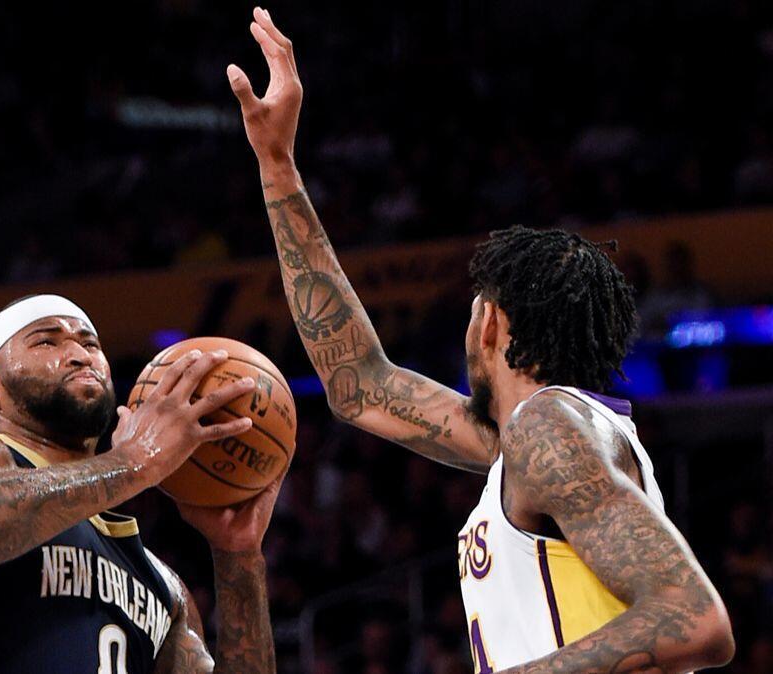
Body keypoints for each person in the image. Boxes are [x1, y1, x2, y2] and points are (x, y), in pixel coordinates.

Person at [226, 7, 735, 673]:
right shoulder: (528, 444)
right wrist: (276, 164)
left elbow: (694, 618)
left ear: (491, 322)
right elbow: (359, 385)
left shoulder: (547, 428)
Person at [0, 294, 282, 673]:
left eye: (90, 343)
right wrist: (132, 463)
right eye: (46, 341)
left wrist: (238, 555)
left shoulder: (163, 586)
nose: (79, 354)